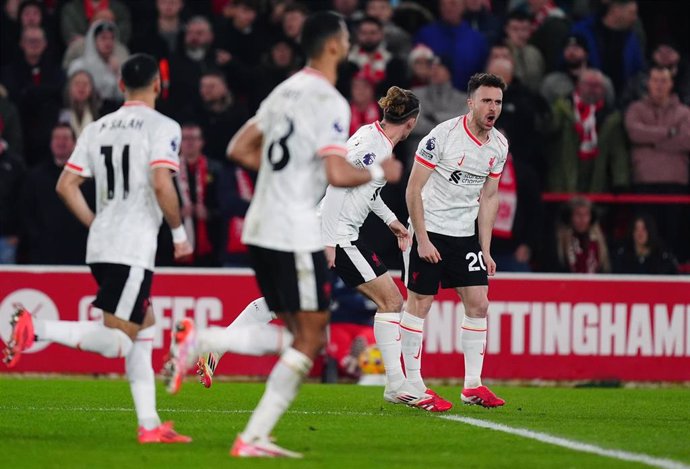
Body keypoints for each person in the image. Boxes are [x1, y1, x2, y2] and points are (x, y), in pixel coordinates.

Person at [164, 11, 402, 458]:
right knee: (309, 338)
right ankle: (208, 344)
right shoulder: (330, 101)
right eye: (346, 37)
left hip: (261, 223)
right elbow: (335, 171)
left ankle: (248, 426)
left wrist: (289, 174)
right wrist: (378, 170)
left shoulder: (283, 90)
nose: (349, 43)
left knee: (293, 321)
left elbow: (238, 148)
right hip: (294, 227)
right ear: (333, 45)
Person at [2, 54, 192, 444]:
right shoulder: (163, 126)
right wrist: (178, 233)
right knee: (119, 339)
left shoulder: (96, 127)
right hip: (132, 245)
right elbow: (161, 183)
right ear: (157, 84)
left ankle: (150, 426)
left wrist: (96, 224)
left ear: (121, 85)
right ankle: (35, 327)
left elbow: (65, 185)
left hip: (103, 243)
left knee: (143, 331)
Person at [321, 85, 452, 411]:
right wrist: (328, 242)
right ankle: (396, 384)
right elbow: (338, 184)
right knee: (391, 300)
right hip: (339, 236)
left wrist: (392, 220)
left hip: (343, 233)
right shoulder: (374, 146)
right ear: (412, 122)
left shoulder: (373, 135)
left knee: (286, 298)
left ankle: (217, 344)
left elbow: (366, 189)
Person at [404, 72, 508, 408]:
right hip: (430, 228)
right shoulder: (443, 136)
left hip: (464, 237)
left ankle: (472, 386)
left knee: (479, 303)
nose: (492, 108)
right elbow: (413, 189)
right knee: (419, 304)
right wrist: (421, 239)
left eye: (498, 102)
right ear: (471, 103)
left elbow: (490, 198)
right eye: (486, 101)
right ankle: (414, 385)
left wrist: (485, 248)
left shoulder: (499, 145)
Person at [19, 124, 94, 265]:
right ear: (50, 142)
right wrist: (38, 239)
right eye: (57, 138)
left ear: (74, 143)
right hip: (45, 252)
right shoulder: (35, 176)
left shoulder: (88, 177)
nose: (61, 142)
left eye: (65, 138)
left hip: (79, 252)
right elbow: (26, 211)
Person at [555, 196, 610, 273]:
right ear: (570, 217)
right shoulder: (560, 241)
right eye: (578, 214)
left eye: (586, 214)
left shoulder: (599, 241)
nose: (582, 219)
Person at [613, 214, 678, 275]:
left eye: (644, 229)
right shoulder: (623, 257)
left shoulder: (662, 257)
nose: (640, 233)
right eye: (636, 229)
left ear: (650, 231)